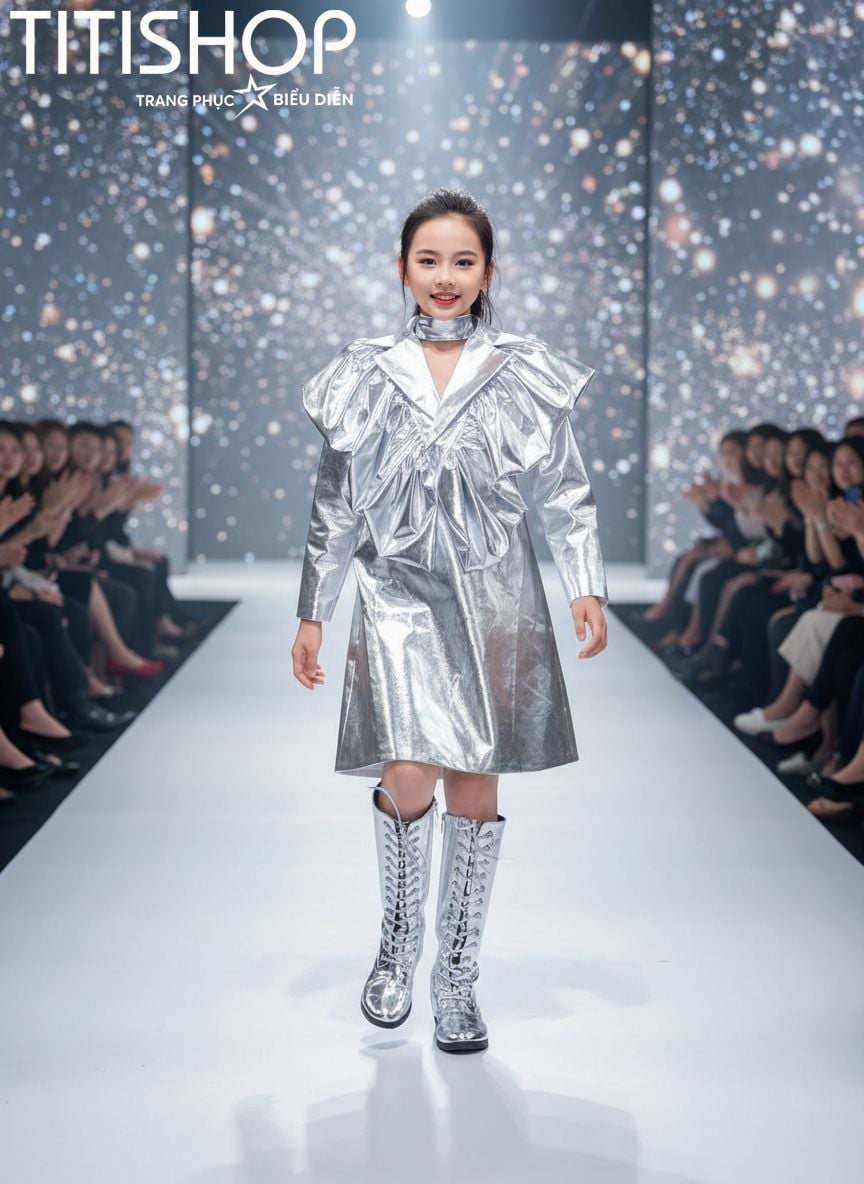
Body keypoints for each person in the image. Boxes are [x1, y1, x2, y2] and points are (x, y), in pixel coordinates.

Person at [291, 188, 608, 1054]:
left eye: (463, 261)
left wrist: (584, 583)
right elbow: (334, 505)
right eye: (428, 259)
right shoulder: (364, 371)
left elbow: (565, 489)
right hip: (394, 588)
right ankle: (397, 948)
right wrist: (313, 610)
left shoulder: (521, 368)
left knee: (475, 780)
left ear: (488, 272)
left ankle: (457, 978)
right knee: (407, 770)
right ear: (401, 269)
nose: (445, 276)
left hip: (497, 594)